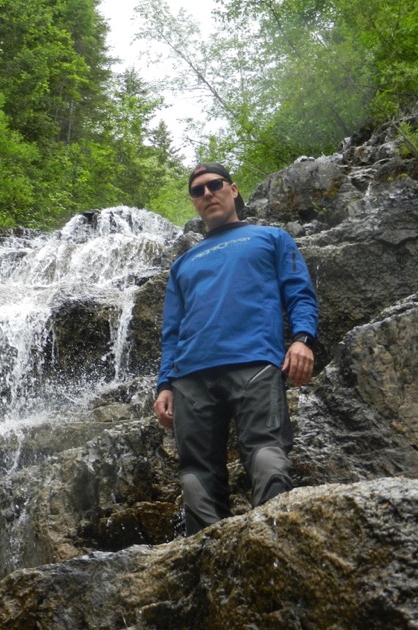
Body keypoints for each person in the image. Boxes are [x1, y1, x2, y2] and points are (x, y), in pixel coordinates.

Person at [153, 162, 319, 535]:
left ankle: (274, 545)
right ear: (194, 202)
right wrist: (165, 384)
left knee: (267, 453)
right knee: (195, 472)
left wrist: (303, 339)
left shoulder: (271, 238)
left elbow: (300, 294)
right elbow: (172, 330)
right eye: (198, 190)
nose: (207, 193)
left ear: (233, 189)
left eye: (214, 185)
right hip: (189, 378)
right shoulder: (183, 263)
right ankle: (207, 558)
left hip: (255, 364)